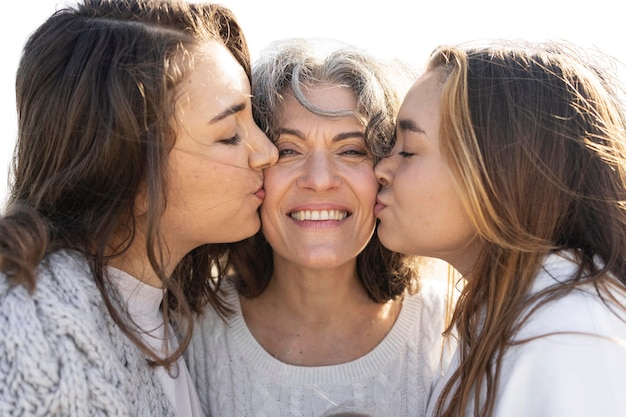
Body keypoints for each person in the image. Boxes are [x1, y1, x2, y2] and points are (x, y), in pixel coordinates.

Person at [0, 0, 277, 415]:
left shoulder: (159, 311)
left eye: (254, 120)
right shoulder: (32, 329)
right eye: (229, 136)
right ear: (130, 176)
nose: (267, 152)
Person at [185, 37, 455, 417]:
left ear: (386, 172)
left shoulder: (452, 331)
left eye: (351, 151)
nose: (319, 179)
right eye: (289, 151)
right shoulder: (184, 331)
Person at [374, 39, 626, 417]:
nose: (382, 168)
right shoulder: (506, 321)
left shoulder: (570, 337)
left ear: (498, 172)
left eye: (407, 150)